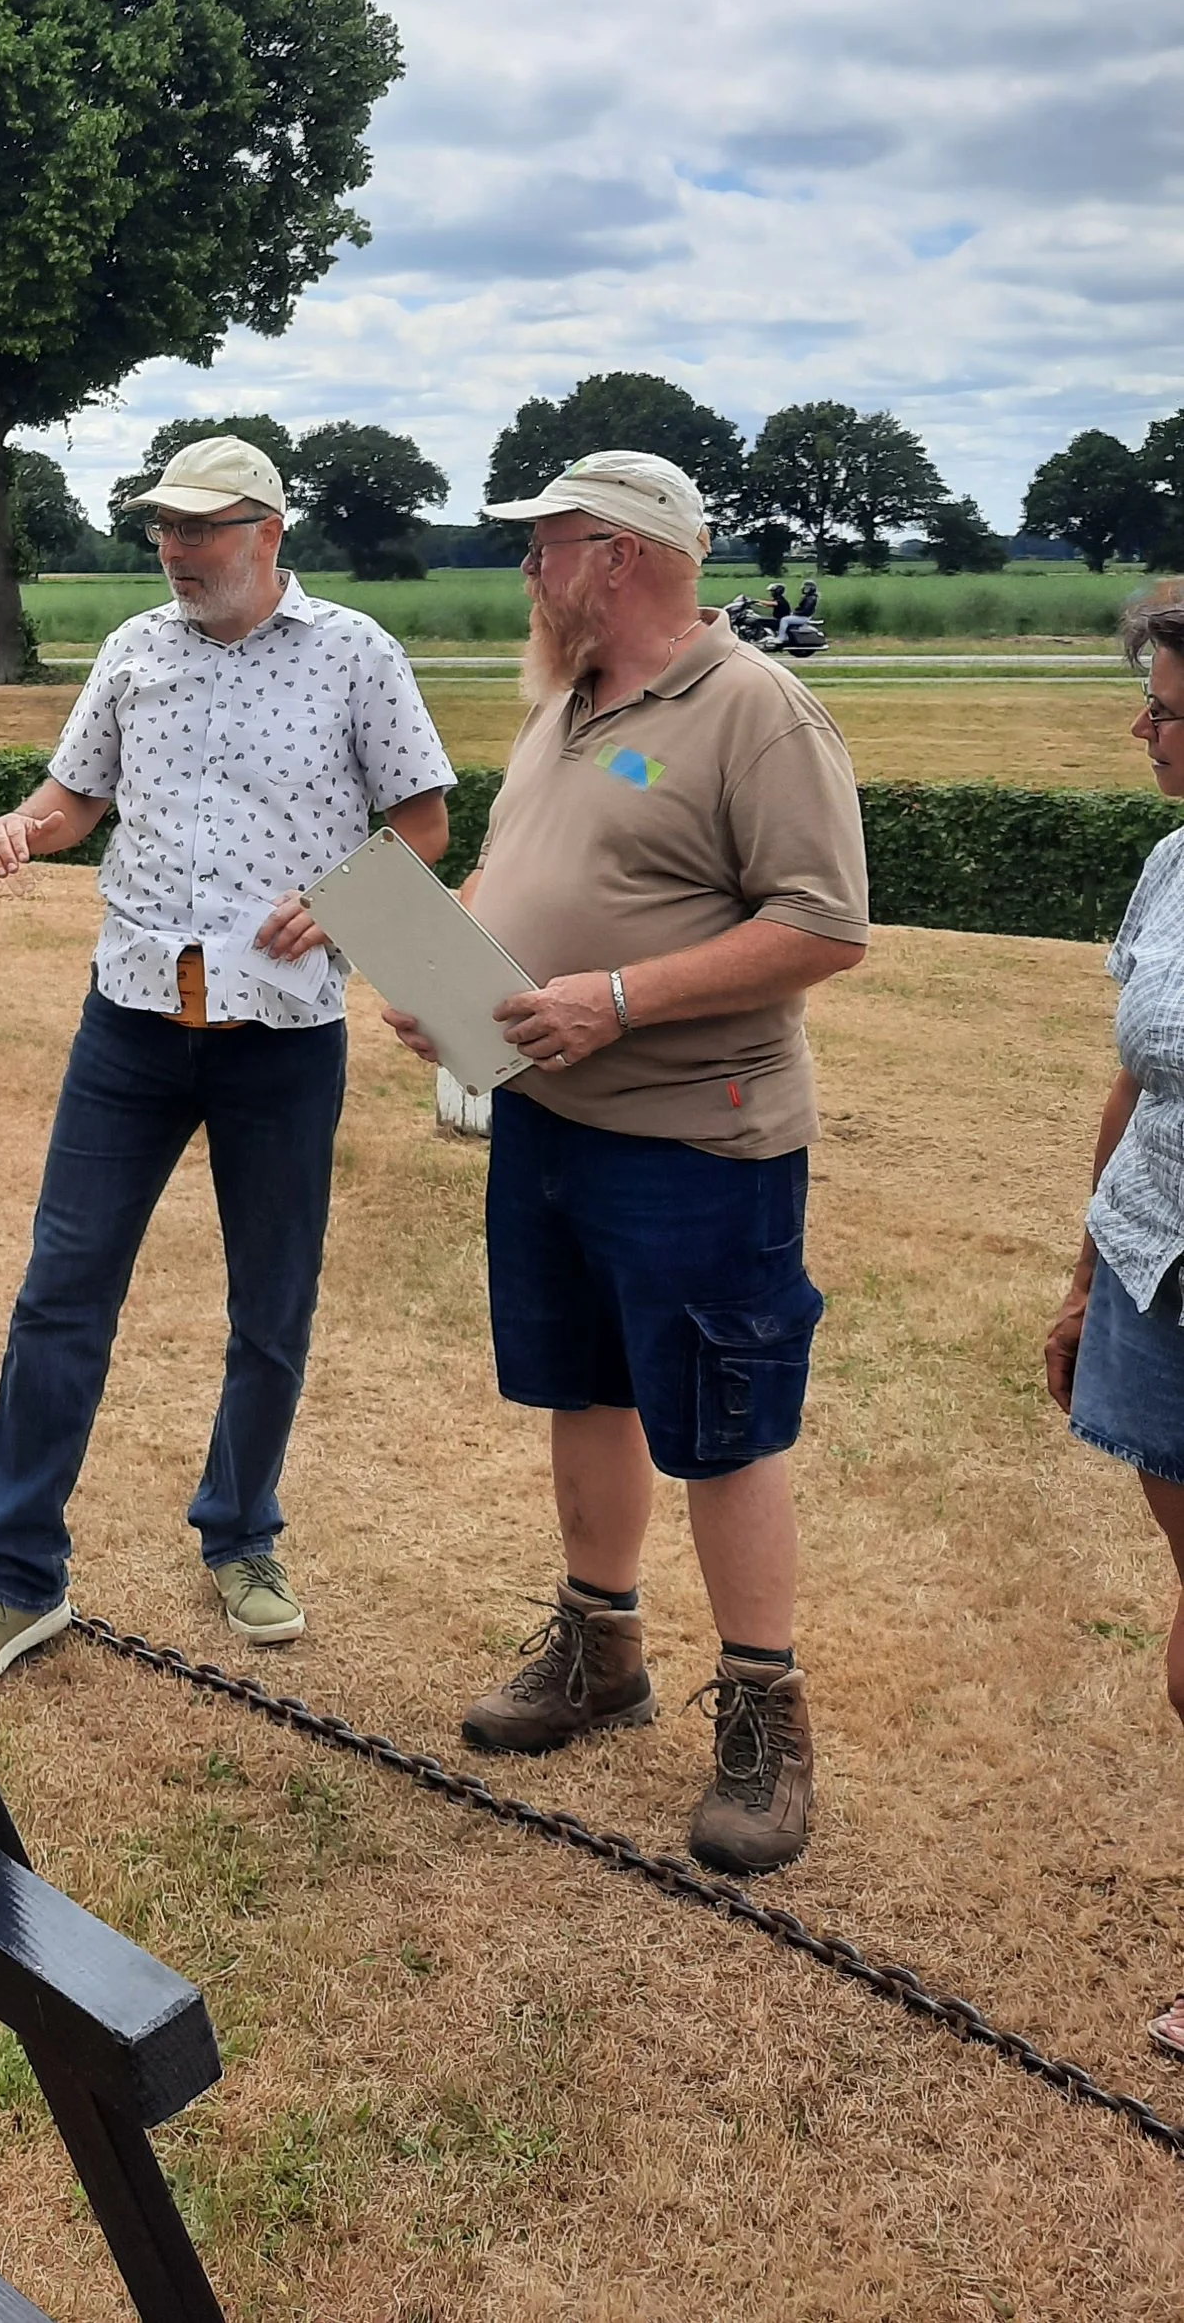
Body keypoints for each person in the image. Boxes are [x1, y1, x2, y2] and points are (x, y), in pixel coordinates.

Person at [381, 451, 867, 1874]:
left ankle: (764, 1712)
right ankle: (602, 1648)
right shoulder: (568, 704)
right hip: (548, 1122)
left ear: (615, 554)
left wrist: (619, 1000)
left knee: (723, 1421)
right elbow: (513, 872)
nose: (524, 571)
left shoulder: (757, 711)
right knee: (579, 1384)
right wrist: (453, 973)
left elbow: (826, 926)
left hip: (698, 1137)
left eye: (540, 547)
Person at [0, 433, 458, 1694]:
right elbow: (77, 798)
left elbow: (426, 823)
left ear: (268, 533)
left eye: (201, 528)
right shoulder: (132, 653)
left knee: (269, 1310)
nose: (174, 550)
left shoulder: (355, 656)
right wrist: (26, 826)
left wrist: (341, 908)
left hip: (281, 1038)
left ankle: (241, 1534)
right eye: (162, 529)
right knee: (60, 1294)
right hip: (128, 1023)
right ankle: (15, 1576)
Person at [1043, 579, 1184, 2058]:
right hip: (1156, 1273)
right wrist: (1087, 1274)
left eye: (1165, 707)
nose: (1141, 727)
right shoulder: (1170, 863)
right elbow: (1135, 1076)